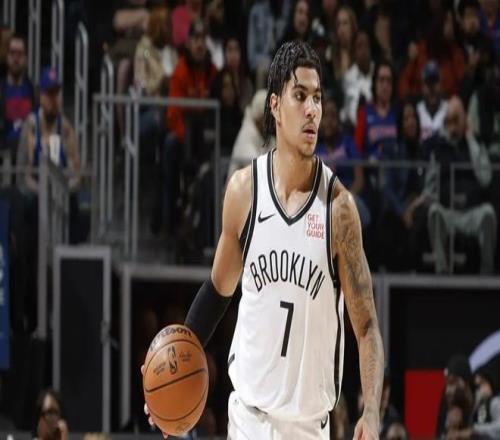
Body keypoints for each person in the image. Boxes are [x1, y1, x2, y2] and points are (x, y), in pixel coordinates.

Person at [144, 40, 384, 439]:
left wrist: (372, 410)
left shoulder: (339, 211)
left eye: (318, 98)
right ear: (274, 105)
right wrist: (172, 366)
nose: (312, 109)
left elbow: (368, 326)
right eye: (300, 96)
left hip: (307, 427)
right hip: (248, 420)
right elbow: (217, 292)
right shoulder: (244, 192)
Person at [0, 34, 34, 163]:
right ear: (6, 56)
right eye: (12, 53)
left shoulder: (34, 93)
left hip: (28, 160)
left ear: (25, 58)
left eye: (20, 54)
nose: (15, 58)